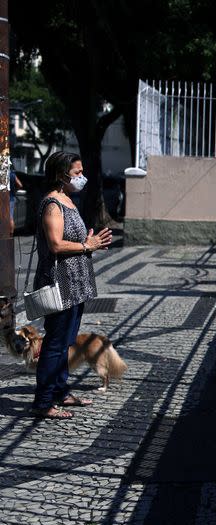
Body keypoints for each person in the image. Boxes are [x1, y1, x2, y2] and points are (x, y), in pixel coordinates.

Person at [30, 151, 113, 419]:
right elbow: (55, 244)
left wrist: (91, 242)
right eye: (76, 173)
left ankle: (60, 392)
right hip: (59, 283)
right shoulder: (52, 204)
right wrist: (85, 245)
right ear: (61, 175)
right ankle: (43, 402)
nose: (81, 177)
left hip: (75, 282)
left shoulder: (68, 199)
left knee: (65, 342)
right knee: (55, 342)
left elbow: (74, 240)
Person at [9, 167, 23, 236]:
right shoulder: (12, 174)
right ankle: (11, 234)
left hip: (6, 198)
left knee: (8, 217)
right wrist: (15, 190)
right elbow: (20, 185)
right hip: (11, 197)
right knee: (10, 216)